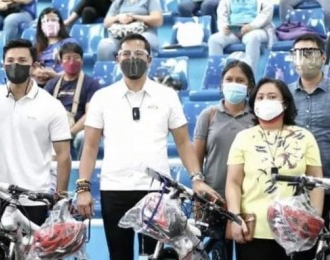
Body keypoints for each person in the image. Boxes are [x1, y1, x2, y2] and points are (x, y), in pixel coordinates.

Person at [76, 33, 221, 260]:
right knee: (119, 255)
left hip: (157, 191)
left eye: (138, 54)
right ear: (117, 59)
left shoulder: (167, 95)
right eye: (126, 54)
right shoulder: (102, 97)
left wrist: (196, 177)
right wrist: (83, 187)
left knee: (156, 256)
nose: (132, 58)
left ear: (150, 60)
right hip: (115, 188)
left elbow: (183, 142)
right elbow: (90, 146)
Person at [0, 39, 72, 229]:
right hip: (1, 196)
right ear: (2, 64)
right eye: (10, 60)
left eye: (21, 60)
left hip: (36, 197)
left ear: (34, 65)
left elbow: (63, 155)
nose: (15, 65)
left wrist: (60, 199)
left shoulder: (51, 105)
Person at [226, 78, 324, 260]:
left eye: (272, 97)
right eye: (260, 97)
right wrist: (235, 218)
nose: (265, 102)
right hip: (254, 230)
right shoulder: (243, 137)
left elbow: (316, 182)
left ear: (285, 103)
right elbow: (233, 182)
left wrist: (313, 221)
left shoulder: (305, 137)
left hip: (297, 230)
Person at [193, 59, 255, 259]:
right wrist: (199, 195)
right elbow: (196, 160)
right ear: (221, 84)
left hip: (248, 199)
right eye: (229, 79)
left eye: (240, 80)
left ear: (249, 86)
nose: (234, 83)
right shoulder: (208, 115)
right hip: (214, 201)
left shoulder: (256, 118)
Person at [288, 33, 330, 225]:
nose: (302, 58)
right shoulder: (283, 95)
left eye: (309, 52)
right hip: (295, 187)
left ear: (323, 57)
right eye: (296, 53)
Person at [44, 42, 102, 159]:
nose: (72, 62)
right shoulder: (52, 84)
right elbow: (41, 110)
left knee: (84, 136)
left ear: (82, 61)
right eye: (67, 58)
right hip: (55, 127)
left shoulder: (91, 84)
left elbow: (90, 114)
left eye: (76, 58)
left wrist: (70, 133)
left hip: (77, 128)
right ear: (61, 61)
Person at [208, 0, 274, 74]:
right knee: (214, 40)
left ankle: (250, 77)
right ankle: (217, 76)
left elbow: (267, 12)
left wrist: (252, 26)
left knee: (252, 38)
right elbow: (221, 14)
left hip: (256, 29)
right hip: (233, 30)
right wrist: (223, 26)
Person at [97, 0, 163, 61]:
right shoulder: (119, 2)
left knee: (141, 42)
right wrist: (118, 17)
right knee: (105, 45)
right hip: (120, 37)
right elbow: (106, 22)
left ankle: (142, 71)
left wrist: (134, 17)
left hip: (144, 33)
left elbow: (158, 20)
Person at [33, 7, 78, 87]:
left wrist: (55, 75)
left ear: (60, 23)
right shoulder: (37, 46)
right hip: (40, 84)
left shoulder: (69, 42)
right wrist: (36, 72)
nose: (49, 24)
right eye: (45, 21)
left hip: (64, 83)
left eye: (53, 20)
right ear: (40, 26)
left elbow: (73, 67)